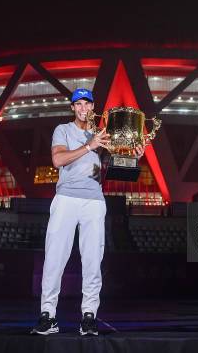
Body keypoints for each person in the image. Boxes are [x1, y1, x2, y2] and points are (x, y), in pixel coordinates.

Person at [31, 88, 145, 336]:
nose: (83, 108)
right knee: (54, 259)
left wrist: (134, 154)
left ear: (93, 107)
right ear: (72, 108)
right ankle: (48, 316)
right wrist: (88, 145)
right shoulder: (63, 130)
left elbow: (117, 165)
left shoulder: (103, 134)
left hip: (93, 201)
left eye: (87, 104)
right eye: (78, 104)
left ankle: (89, 317)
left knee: (93, 261)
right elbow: (58, 160)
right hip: (65, 199)